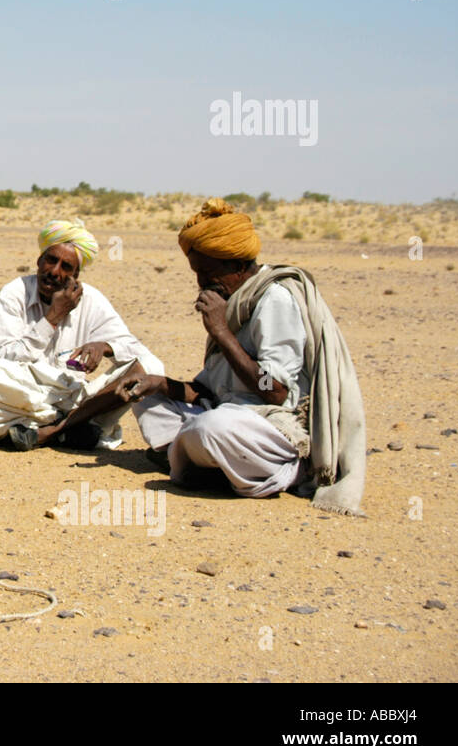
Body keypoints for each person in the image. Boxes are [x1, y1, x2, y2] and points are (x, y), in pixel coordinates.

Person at [117, 198, 367, 513]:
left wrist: (222, 332)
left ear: (236, 266)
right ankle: (198, 457)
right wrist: (156, 383)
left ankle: (281, 472)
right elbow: (208, 390)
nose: (201, 283)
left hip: (271, 426)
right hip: (229, 413)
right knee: (147, 398)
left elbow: (274, 391)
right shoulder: (234, 301)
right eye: (197, 273)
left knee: (211, 428)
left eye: (207, 273)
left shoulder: (273, 299)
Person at [0, 219, 165, 451]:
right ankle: (73, 427)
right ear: (39, 261)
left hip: (74, 398)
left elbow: (136, 350)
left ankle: (52, 430)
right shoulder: (13, 294)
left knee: (151, 368)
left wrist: (104, 346)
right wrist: (52, 318)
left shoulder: (91, 300)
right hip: (21, 397)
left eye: (65, 266)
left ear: (76, 274)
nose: (54, 272)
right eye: (51, 260)